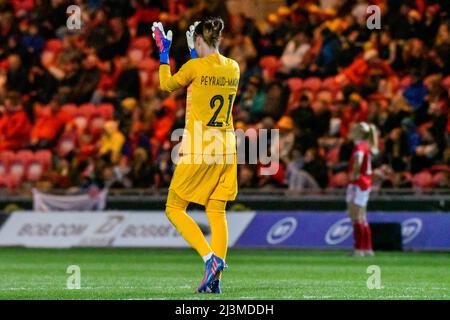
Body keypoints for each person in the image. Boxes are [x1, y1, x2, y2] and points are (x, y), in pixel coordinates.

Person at [151, 18, 240, 294]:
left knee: (174, 208)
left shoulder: (194, 67)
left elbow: (167, 84)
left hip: (201, 146)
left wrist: (164, 53)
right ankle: (217, 278)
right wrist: (193, 53)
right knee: (216, 210)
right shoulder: (233, 67)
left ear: (199, 41)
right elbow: (202, 86)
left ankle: (210, 259)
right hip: (227, 147)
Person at [346, 122, 378, 257]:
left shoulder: (359, 147)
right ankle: (367, 248)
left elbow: (358, 160)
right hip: (364, 183)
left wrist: (355, 173)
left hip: (358, 183)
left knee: (356, 216)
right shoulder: (366, 146)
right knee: (362, 217)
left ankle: (359, 248)